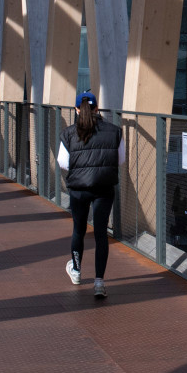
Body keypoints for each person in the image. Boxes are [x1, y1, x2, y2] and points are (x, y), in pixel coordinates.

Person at [58, 91, 125, 299]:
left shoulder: (69, 133)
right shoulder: (114, 131)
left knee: (78, 230)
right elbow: (120, 159)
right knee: (101, 234)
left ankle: (76, 272)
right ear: (97, 108)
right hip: (104, 188)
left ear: (76, 109)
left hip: (79, 189)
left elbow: (63, 162)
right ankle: (99, 282)